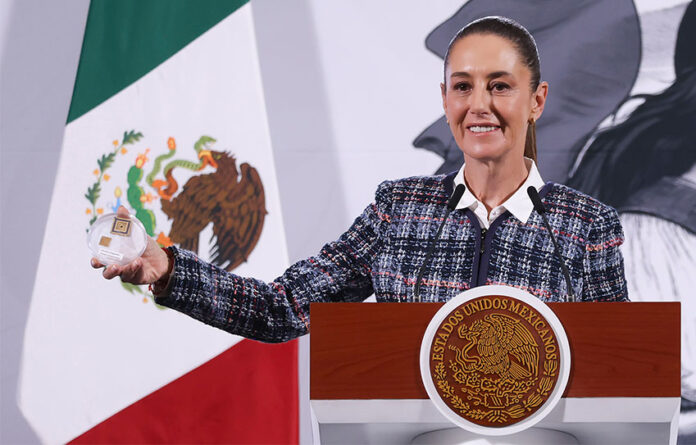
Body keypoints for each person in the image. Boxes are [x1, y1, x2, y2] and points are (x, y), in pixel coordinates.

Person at [91, 17, 628, 343]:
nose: (479, 105)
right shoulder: (398, 210)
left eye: (500, 86)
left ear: (537, 100)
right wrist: (167, 269)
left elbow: (621, 372)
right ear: (444, 100)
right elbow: (281, 307)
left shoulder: (585, 226)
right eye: (462, 86)